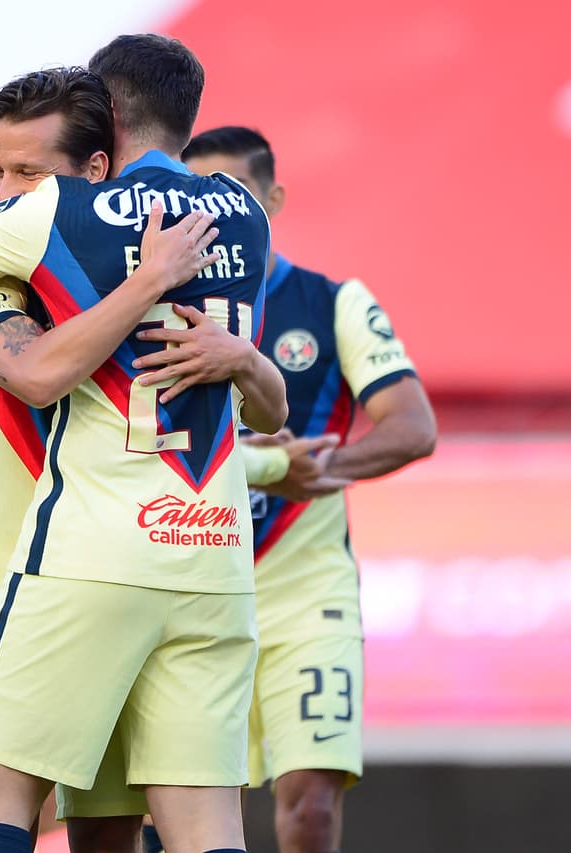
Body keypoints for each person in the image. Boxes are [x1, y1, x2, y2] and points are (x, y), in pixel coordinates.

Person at [0, 33, 284, 853]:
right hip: (213, 552)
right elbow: (263, 408)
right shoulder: (244, 215)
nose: (9, 187)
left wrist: (118, 271)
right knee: (202, 825)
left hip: (88, 548)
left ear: (106, 119)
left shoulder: (59, 212)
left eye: (24, 168)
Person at [181, 125, 436, 853]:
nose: (218, 215)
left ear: (274, 198)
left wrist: (314, 469)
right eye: (199, 199)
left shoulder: (333, 302)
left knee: (311, 806)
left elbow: (412, 425)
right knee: (188, 809)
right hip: (190, 581)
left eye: (234, 196)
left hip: (304, 591)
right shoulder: (151, 303)